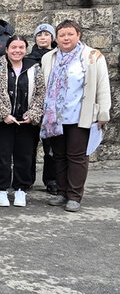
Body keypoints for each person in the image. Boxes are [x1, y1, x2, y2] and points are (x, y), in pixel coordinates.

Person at [41, 20, 112, 212]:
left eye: (70, 34)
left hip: (80, 115)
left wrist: (103, 113)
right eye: (62, 35)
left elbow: (103, 86)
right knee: (59, 155)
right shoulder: (49, 58)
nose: (66, 38)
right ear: (56, 38)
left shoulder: (92, 56)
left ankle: (74, 195)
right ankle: (62, 191)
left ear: (78, 35)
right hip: (55, 117)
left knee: (77, 156)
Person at [0, 35, 46, 208]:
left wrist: (33, 114)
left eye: (21, 47)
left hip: (26, 121)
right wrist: (4, 114)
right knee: (1, 155)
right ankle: (1, 189)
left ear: (25, 50)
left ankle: (21, 189)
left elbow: (40, 94)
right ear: (6, 49)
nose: (17, 51)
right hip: (4, 121)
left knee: (24, 156)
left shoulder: (35, 68)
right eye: (13, 47)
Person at [27, 23, 58, 194]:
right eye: (39, 34)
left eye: (46, 34)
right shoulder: (29, 59)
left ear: (52, 38)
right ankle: (27, 179)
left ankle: (51, 180)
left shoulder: (58, 57)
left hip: (52, 108)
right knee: (29, 147)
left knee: (51, 148)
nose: (43, 37)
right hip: (32, 107)